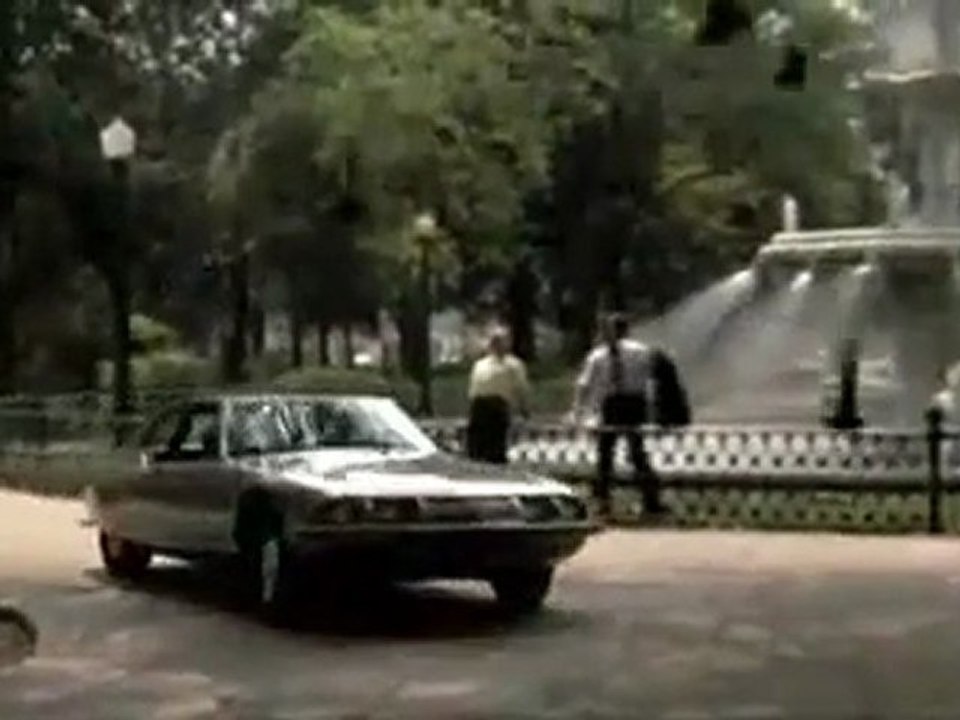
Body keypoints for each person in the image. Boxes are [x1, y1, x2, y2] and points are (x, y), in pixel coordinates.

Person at [571, 314, 666, 517]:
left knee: (606, 454)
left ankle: (603, 502)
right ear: (628, 330)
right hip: (634, 403)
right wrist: (654, 409)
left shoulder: (599, 355)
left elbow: (584, 385)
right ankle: (651, 501)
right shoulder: (642, 351)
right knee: (636, 452)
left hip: (613, 404)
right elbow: (652, 381)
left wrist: (577, 411)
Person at [466, 328, 530, 464]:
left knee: (495, 447)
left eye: (500, 341)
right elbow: (474, 388)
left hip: (497, 406)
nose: (496, 344)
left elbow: (521, 388)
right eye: (493, 341)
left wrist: (524, 408)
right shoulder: (480, 364)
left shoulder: (513, 365)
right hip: (479, 407)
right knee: (475, 448)